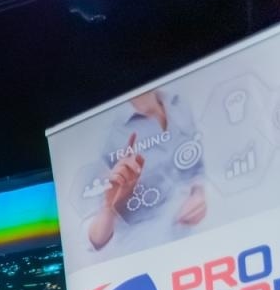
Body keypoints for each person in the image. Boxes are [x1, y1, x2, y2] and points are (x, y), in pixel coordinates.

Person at [84, 88, 207, 254]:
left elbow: (195, 166)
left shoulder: (178, 101)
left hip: (193, 242)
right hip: (144, 253)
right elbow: (96, 239)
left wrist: (198, 193)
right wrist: (109, 205)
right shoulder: (106, 130)